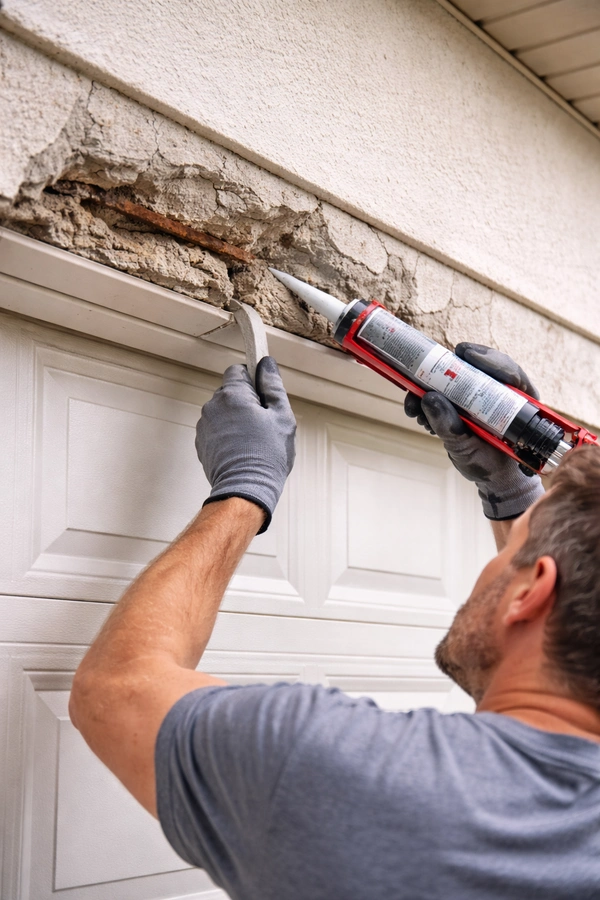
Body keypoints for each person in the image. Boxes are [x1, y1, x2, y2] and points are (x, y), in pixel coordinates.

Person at [69, 346, 600, 900]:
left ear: (533, 592)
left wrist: (243, 488)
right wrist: (515, 498)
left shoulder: (345, 771)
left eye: (510, 547)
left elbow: (114, 690)